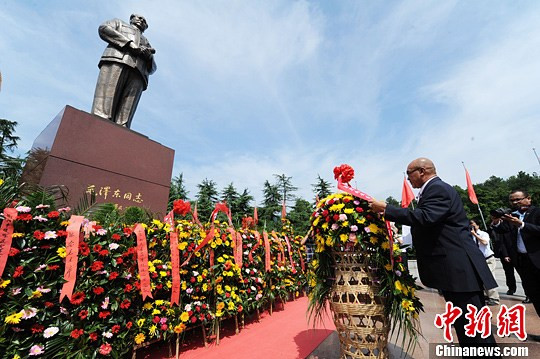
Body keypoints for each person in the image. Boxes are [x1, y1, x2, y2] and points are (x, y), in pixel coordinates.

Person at [369, 157, 497, 347]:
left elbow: (426, 217)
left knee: (474, 328)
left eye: (409, 173)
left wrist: (387, 209)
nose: (408, 179)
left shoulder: (437, 188)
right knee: (464, 325)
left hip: (459, 268)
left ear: (421, 171)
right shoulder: (431, 190)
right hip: (453, 269)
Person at [91, 14, 157, 128]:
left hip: (138, 72)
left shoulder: (146, 42)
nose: (141, 21)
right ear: (131, 19)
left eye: (144, 21)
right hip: (116, 61)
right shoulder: (119, 23)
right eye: (139, 18)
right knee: (105, 102)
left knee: (125, 116)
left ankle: (123, 128)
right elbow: (104, 29)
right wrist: (129, 44)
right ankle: (99, 122)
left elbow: (153, 68)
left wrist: (149, 57)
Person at [491, 190, 540, 317]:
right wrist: (496, 221)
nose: (515, 202)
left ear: (528, 198)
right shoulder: (512, 216)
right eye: (512, 200)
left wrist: (522, 224)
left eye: (518, 199)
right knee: (534, 294)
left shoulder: (537, 212)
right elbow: (503, 230)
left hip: (537, 258)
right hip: (523, 261)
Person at [470, 220, 500, 306]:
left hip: (488, 259)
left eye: (473, 226)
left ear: (478, 226)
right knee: (481, 278)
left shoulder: (483, 234)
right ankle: (487, 295)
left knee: (489, 278)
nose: (472, 228)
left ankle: (494, 298)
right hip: (479, 260)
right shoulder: (469, 236)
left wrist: (475, 235)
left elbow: (485, 242)